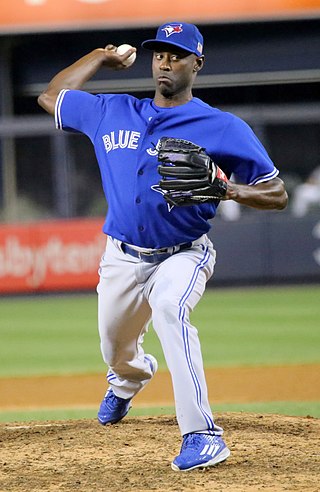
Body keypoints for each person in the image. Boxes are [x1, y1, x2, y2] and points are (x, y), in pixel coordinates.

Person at [38, 21, 288, 472]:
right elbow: (51, 97)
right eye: (159, 54)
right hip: (120, 256)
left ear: (198, 63)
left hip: (183, 253)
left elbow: (276, 194)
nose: (165, 62)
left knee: (171, 309)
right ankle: (128, 379)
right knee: (114, 346)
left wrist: (228, 191)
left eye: (176, 54)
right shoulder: (111, 110)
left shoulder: (222, 126)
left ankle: (203, 435)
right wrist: (101, 56)